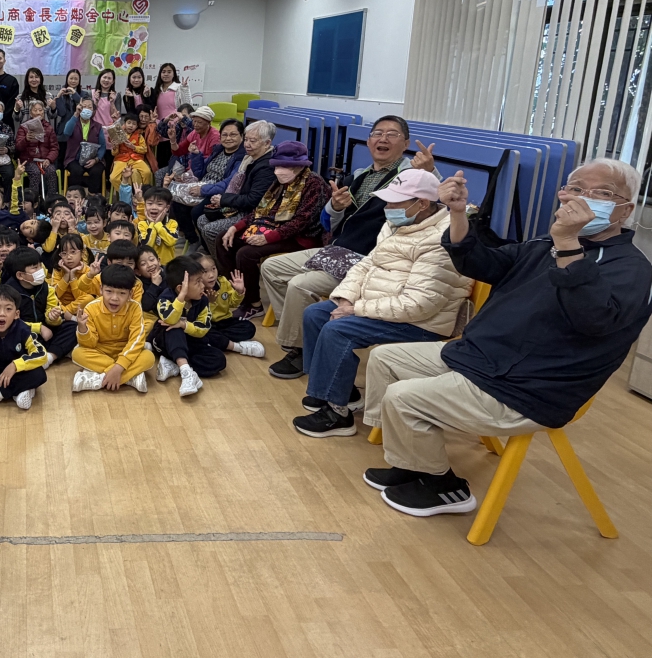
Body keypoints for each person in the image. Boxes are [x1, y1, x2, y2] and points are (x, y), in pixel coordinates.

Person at [361, 158, 652, 518]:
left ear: (625, 210)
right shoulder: (542, 244)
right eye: (576, 189)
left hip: (531, 387)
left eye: (603, 193)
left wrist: (567, 243)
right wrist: (457, 213)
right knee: (386, 359)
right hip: (481, 358)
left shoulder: (632, 268)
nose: (584, 198)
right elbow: (482, 263)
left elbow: (593, 320)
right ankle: (412, 460)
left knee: (404, 398)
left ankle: (444, 487)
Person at [291, 170, 472, 438]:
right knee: (316, 314)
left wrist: (356, 310)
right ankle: (342, 391)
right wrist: (346, 297)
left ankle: (338, 415)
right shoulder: (397, 224)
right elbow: (366, 264)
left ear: (422, 203)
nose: (387, 207)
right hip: (381, 304)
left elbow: (420, 304)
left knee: (338, 330)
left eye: (394, 202)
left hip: (421, 322)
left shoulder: (441, 239)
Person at [260, 115, 437, 380]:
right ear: (368, 141)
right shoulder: (359, 175)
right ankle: (304, 335)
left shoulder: (411, 176)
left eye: (392, 134)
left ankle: (300, 349)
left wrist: (430, 172)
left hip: (368, 260)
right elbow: (328, 222)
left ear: (406, 143)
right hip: (336, 250)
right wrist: (335, 206)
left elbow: (436, 205)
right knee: (271, 267)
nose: (383, 139)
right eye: (377, 133)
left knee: (300, 285)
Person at [218, 141, 329, 317]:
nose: (278, 170)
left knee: (246, 253)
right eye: (276, 166)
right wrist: (235, 227)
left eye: (284, 166)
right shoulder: (279, 182)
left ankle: (253, 303)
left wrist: (267, 238)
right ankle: (235, 292)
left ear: (299, 166)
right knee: (224, 239)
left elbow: (301, 222)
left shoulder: (314, 184)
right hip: (271, 228)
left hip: (301, 238)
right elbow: (260, 210)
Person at [69, 263, 155, 393]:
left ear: (130, 294)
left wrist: (118, 367)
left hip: (125, 350)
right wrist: (82, 329)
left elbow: (135, 340)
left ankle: (99, 379)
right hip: (101, 351)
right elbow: (89, 344)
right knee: (77, 354)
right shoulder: (91, 308)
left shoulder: (135, 308)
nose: (114, 298)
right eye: (109, 291)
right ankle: (130, 378)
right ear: (101, 289)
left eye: (122, 293)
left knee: (148, 357)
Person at [196, 120, 277, 256]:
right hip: (241, 206)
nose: (247, 144)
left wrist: (224, 200)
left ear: (267, 143)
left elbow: (253, 201)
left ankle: (221, 263)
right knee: (201, 219)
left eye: (253, 141)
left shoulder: (266, 167)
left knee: (210, 230)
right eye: (246, 140)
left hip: (253, 214)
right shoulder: (249, 159)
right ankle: (213, 254)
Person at [173, 118, 246, 249]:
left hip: (218, 193)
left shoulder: (241, 157)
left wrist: (203, 190)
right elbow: (200, 172)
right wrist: (196, 155)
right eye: (225, 135)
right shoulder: (218, 150)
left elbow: (229, 183)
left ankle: (205, 247)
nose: (228, 138)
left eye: (233, 134)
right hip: (204, 184)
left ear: (242, 136)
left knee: (197, 212)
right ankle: (192, 239)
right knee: (176, 201)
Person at [151, 256, 218, 396]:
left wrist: (183, 324)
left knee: (218, 360)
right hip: (165, 342)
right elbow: (169, 319)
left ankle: (176, 365)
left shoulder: (202, 301)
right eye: (198, 282)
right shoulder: (165, 298)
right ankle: (187, 373)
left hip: (189, 342)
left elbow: (203, 328)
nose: (203, 286)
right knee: (172, 327)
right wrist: (181, 298)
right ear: (181, 288)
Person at [16, 99, 58, 201]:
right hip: (29, 160)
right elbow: (18, 147)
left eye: (40, 110)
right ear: (30, 113)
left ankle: (51, 200)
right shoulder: (24, 127)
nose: (38, 112)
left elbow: (54, 147)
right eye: (35, 110)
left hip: (45, 160)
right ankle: (33, 201)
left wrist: (49, 159)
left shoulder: (49, 127)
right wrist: (26, 139)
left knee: (51, 171)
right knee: (35, 172)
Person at [63, 98, 107, 195]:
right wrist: (76, 114)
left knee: (96, 171)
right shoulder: (74, 122)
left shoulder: (98, 126)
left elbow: (103, 145)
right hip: (74, 158)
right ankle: (75, 196)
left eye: (89, 107)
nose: (86, 109)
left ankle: (92, 196)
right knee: (76, 170)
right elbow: (66, 133)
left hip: (93, 158)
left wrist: (96, 159)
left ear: (93, 111)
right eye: (84, 106)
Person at [109, 112, 153, 189]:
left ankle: (144, 192)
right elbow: (114, 153)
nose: (131, 125)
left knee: (147, 172)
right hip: (121, 159)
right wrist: (115, 147)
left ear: (137, 126)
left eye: (134, 124)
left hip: (136, 159)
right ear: (124, 124)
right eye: (129, 123)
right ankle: (125, 193)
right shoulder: (118, 135)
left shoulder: (139, 136)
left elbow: (144, 149)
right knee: (113, 178)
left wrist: (133, 147)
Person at [54, 68, 86, 164]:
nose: (73, 81)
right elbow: (62, 113)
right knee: (61, 158)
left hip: (79, 130)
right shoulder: (62, 93)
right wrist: (58, 97)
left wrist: (75, 94)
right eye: (71, 78)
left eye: (76, 79)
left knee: (76, 160)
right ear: (67, 79)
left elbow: (85, 109)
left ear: (79, 80)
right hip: (63, 132)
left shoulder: (84, 94)